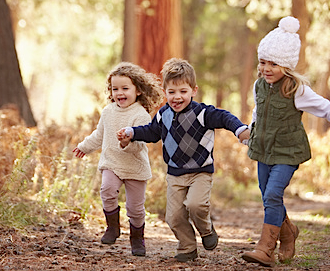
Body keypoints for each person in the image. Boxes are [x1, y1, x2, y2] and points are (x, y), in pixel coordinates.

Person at [117, 58, 250, 262]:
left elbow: (224, 117)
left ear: (193, 91)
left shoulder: (202, 113)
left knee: (196, 205)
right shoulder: (163, 115)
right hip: (175, 173)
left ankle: (206, 230)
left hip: (200, 171)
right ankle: (187, 246)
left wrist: (240, 129)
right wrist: (132, 132)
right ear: (165, 92)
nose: (177, 97)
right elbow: (152, 133)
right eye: (171, 92)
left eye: (182, 91)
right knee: (174, 216)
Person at [241, 16, 330, 267]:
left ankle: (265, 248)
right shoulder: (260, 85)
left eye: (273, 64)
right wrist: (250, 131)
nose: (266, 68)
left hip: (288, 152)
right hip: (264, 149)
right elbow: (259, 111)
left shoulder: (296, 89)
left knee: (273, 193)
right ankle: (288, 233)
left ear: (286, 66)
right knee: (268, 195)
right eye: (263, 62)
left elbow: (329, 109)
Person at [73, 62, 164, 256]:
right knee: (107, 190)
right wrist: (83, 147)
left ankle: (137, 238)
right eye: (115, 89)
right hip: (112, 163)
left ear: (138, 90)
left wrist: (125, 143)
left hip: (135, 167)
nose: (119, 93)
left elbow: (139, 146)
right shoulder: (108, 111)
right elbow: (99, 135)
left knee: (135, 209)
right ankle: (112, 227)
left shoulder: (141, 115)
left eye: (125, 88)